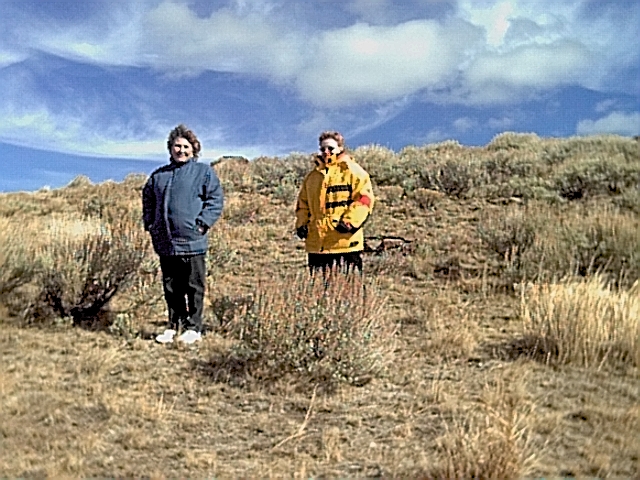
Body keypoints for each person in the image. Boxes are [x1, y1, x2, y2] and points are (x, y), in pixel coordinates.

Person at [143, 124, 224, 344]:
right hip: (165, 241)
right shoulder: (158, 176)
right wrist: (151, 225)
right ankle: (174, 324)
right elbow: (148, 201)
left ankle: (194, 327)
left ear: (194, 149)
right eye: (177, 146)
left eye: (185, 146)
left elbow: (215, 200)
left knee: (193, 285)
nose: (181, 150)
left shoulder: (203, 172)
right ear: (170, 148)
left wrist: (202, 224)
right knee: (171, 286)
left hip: (193, 240)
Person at [295, 131, 375, 275]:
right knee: (319, 290)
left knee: (350, 289)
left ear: (340, 148)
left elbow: (364, 199)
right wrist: (302, 225)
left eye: (330, 148)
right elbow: (303, 204)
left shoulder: (353, 171)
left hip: (345, 243)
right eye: (323, 149)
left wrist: (350, 222)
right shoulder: (312, 177)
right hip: (316, 245)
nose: (326, 152)